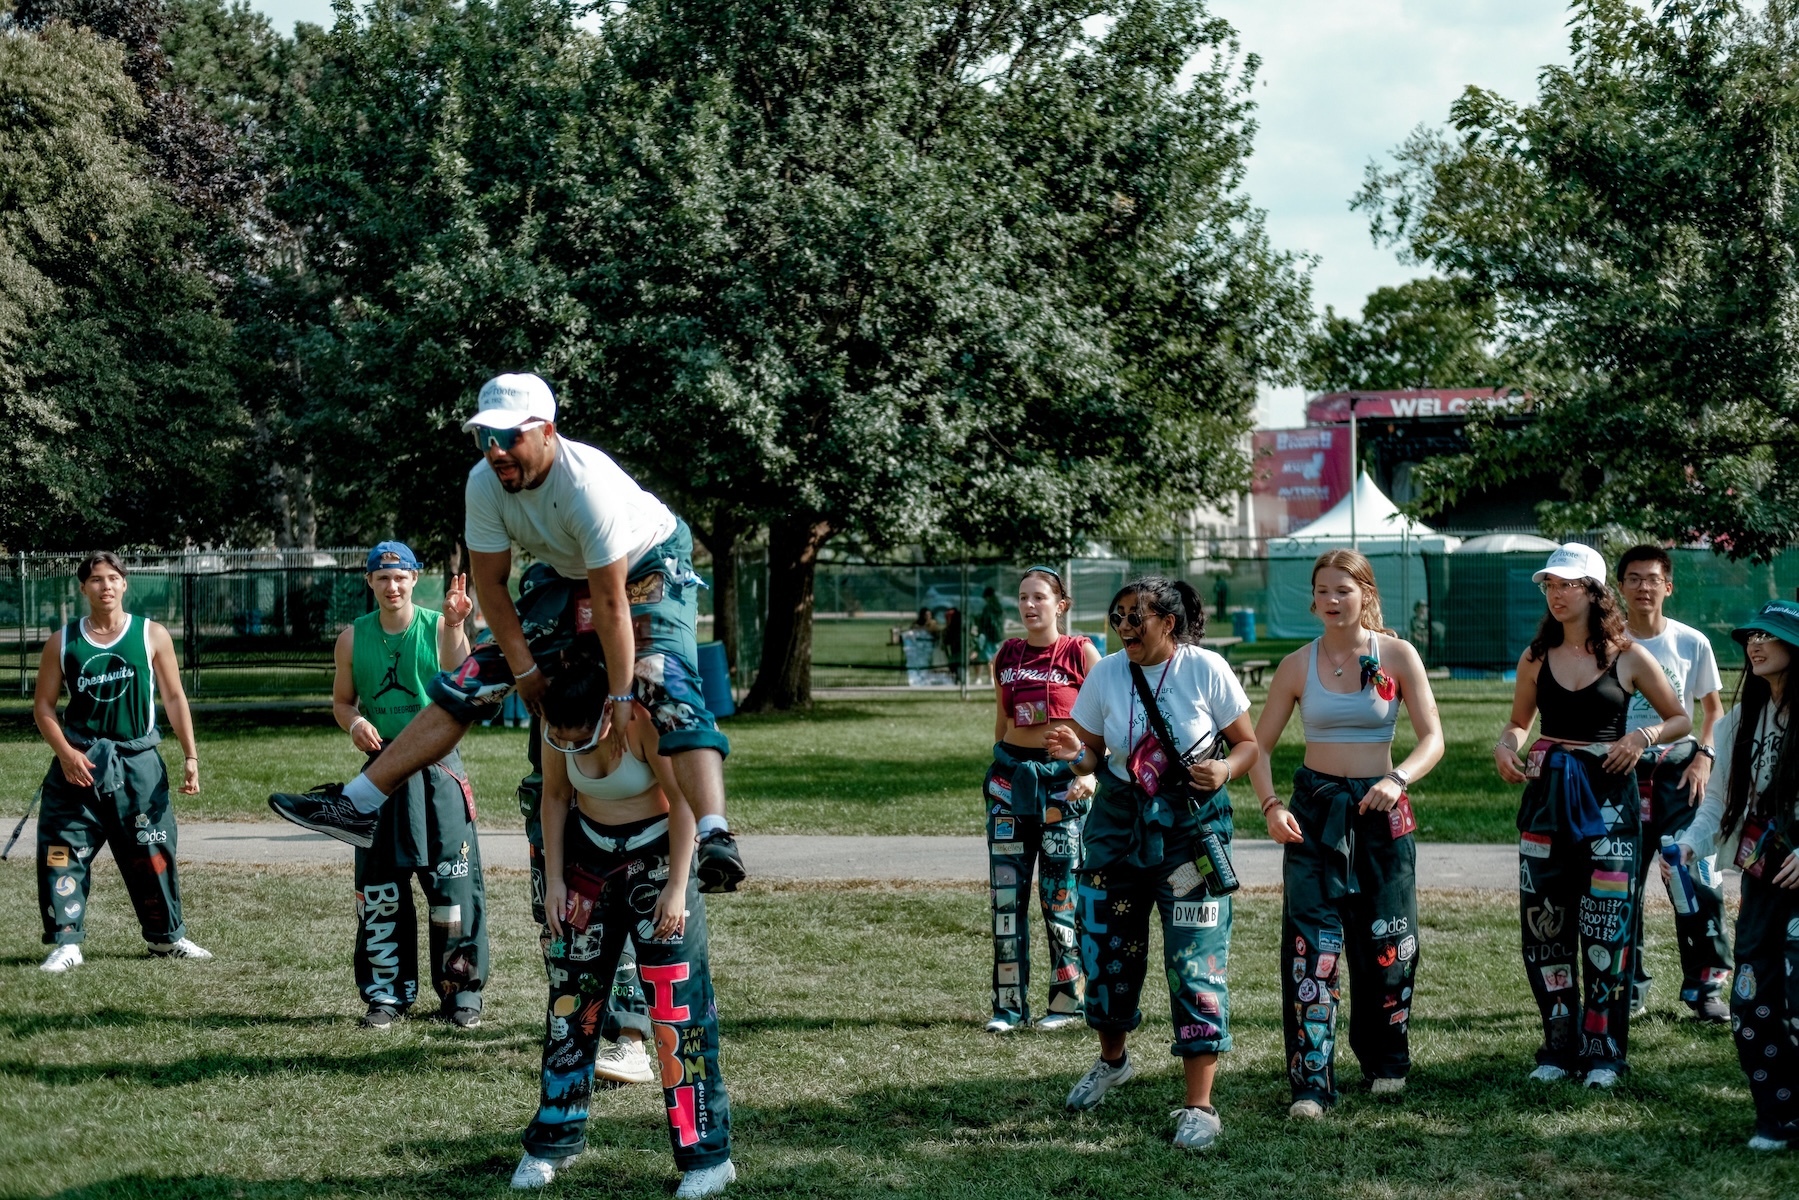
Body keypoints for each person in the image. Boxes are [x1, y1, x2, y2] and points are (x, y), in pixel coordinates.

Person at [268, 373, 745, 893]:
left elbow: (610, 604)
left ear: (547, 431)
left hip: (648, 559)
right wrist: (524, 671)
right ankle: (358, 803)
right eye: (485, 437)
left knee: (663, 675)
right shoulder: (484, 483)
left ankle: (715, 833)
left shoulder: (587, 485)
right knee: (475, 676)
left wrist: (623, 695)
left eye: (510, 435)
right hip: (570, 570)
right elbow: (492, 589)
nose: (496, 451)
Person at [1045, 577, 1258, 1151]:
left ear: (1169, 620)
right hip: (1117, 828)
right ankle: (1112, 1061)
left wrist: (1227, 770)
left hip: (1190, 834)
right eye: (1118, 618)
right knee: (1108, 949)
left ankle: (1200, 1105)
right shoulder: (1107, 673)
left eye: (1136, 617)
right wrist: (1076, 755)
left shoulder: (1205, 669)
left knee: (1196, 960)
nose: (1125, 628)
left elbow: (1248, 744)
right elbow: (1093, 750)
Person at [513, 667, 734, 1196]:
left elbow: (682, 799)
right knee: (572, 1004)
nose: (568, 744)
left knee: (676, 1006)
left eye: (579, 735)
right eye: (559, 736)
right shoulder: (556, 724)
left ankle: (708, 1157)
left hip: (659, 857)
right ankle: (553, 1142)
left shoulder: (641, 722)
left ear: (609, 715)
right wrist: (555, 882)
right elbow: (555, 799)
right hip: (589, 860)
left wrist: (678, 888)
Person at [1247, 549, 1444, 1118]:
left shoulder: (1399, 655)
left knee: (1387, 943)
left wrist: (1398, 778)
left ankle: (1386, 1059)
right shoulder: (1295, 664)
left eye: (1343, 591)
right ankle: (1311, 1081)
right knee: (1313, 948)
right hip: (1315, 811)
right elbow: (1257, 746)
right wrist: (1270, 805)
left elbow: (1433, 738)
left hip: (1382, 812)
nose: (1331, 601)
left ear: (1365, 594)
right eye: (1322, 591)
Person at [1493, 543, 1690, 1088]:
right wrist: (1506, 747)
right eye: (1549, 586)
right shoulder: (1535, 656)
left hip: (1610, 807)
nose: (1556, 594)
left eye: (1568, 584)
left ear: (1595, 591)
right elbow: (1517, 722)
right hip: (1547, 802)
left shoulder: (1628, 655)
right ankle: (1558, 1047)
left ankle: (1604, 1051)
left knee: (1608, 927)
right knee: (1545, 926)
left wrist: (1643, 734)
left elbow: (1680, 718)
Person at [332, 541, 489, 1028]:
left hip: (438, 769)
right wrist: (354, 722)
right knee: (380, 888)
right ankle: (386, 995)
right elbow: (342, 702)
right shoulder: (351, 638)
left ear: (415, 577)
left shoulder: (438, 626)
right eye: (382, 578)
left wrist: (458, 623)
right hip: (381, 774)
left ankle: (461, 994)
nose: (392, 586)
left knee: (453, 886)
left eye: (400, 577)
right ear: (370, 582)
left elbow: (460, 677)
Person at [33, 551, 210, 970]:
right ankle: (66, 942)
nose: (106, 586)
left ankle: (167, 940)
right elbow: (43, 707)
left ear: (125, 584)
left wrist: (190, 754)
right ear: (83, 588)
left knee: (152, 851)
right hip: (80, 763)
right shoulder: (63, 642)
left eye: (113, 578)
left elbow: (173, 697)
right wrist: (66, 753)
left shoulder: (151, 634)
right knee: (62, 850)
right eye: (96, 579)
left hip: (137, 764)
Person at [1673, 600, 1799, 1151]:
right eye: (1751, 636)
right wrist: (1685, 845)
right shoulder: (1738, 722)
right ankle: (1778, 1115)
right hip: (1762, 878)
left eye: (1769, 636)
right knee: (1751, 1000)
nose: (1755, 645)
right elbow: (1719, 804)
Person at [983, 567, 1102, 1034]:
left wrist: (1092, 774)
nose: (1030, 606)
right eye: (1023, 598)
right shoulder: (1007, 654)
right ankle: (1008, 1006)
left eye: (1040, 598)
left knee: (1060, 897)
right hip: (1010, 782)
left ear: (1061, 604)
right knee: (1006, 898)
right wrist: (997, 769)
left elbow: (1108, 719)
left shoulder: (1081, 652)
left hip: (1063, 783)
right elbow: (1001, 719)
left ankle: (1066, 1001)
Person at [1613, 545, 1730, 1021]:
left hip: (1681, 776)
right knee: (1619, 885)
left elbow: (1712, 712)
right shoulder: (1607, 643)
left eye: (1653, 578)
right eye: (1634, 578)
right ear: (1620, 587)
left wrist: (1703, 758)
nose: (1644, 587)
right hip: (1619, 779)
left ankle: (1706, 988)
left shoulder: (1691, 642)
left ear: (1668, 586)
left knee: (1694, 877)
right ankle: (1628, 984)